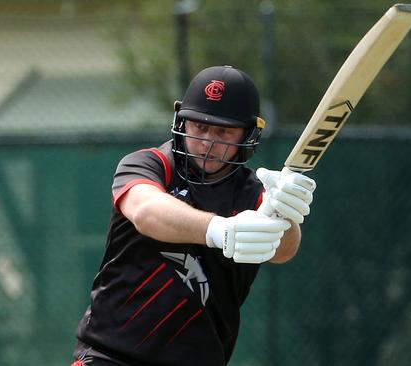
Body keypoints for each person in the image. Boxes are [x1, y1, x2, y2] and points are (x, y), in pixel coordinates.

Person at [71, 65, 316, 366]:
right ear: (181, 122)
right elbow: (146, 211)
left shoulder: (252, 195)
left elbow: (284, 250)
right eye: (199, 127)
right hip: (110, 356)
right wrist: (219, 229)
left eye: (223, 131)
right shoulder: (151, 164)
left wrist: (285, 213)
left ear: (248, 134)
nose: (207, 143)